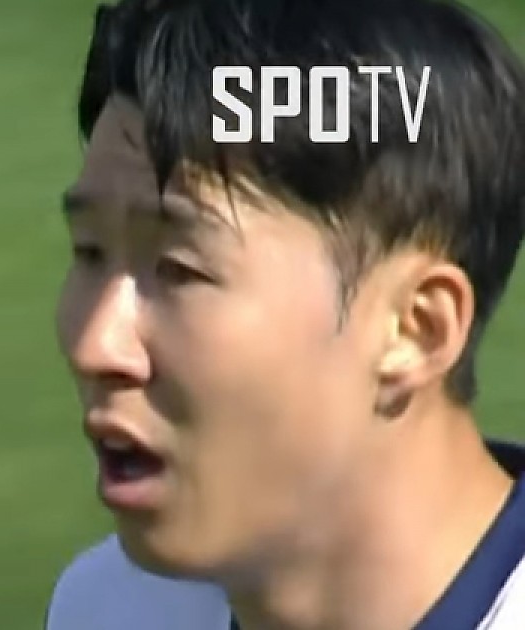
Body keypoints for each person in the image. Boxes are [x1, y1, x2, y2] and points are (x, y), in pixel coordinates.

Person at [44, 0, 525, 628]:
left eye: (180, 269)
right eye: (89, 251)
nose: (95, 345)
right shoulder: (111, 608)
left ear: (415, 328)